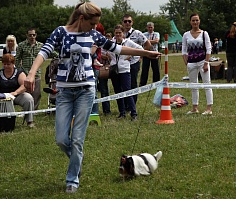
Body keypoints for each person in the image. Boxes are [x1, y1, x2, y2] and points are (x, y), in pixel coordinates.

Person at [23, 2, 161, 194]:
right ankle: (76, 158)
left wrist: (145, 53)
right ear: (81, 18)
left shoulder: (94, 35)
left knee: (77, 139)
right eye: (93, 23)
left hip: (86, 91)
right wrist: (31, 73)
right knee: (62, 139)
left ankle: (72, 180)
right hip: (64, 92)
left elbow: (118, 49)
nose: (96, 27)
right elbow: (43, 52)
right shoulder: (61, 32)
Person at [0, 54, 34, 127]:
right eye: (4, 64)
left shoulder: (20, 73)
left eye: (8, 64)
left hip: (17, 95)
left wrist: (15, 92)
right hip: (3, 97)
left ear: (13, 64)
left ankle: (30, 121)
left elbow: (24, 85)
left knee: (28, 99)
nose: (6, 66)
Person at [182, 13, 213, 115]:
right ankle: (195, 108)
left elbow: (208, 49)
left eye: (197, 20)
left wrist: (206, 63)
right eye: (193, 20)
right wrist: (186, 62)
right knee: (193, 86)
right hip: (191, 63)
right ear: (190, 22)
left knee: (207, 84)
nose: (195, 22)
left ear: (199, 21)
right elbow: (184, 50)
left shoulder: (204, 33)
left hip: (202, 62)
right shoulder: (186, 35)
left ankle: (209, 108)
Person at [110, 24, 142, 120]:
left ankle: (133, 113)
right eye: (116, 33)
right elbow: (103, 50)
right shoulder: (111, 43)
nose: (118, 34)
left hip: (125, 70)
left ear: (123, 33)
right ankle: (122, 112)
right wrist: (107, 57)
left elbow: (140, 49)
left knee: (127, 91)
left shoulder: (128, 42)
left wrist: (132, 57)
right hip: (114, 69)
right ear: (114, 33)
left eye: (120, 33)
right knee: (118, 92)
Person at [122, 14, 151, 105]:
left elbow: (148, 44)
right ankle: (126, 104)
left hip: (134, 62)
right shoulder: (120, 33)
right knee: (124, 84)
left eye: (129, 21)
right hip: (123, 63)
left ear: (132, 22)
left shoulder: (137, 33)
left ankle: (133, 104)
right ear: (122, 23)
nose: (127, 23)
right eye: (125, 21)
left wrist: (141, 55)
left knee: (133, 84)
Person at [15, 28, 43, 110]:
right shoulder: (21, 45)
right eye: (30, 35)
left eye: (33, 35)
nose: (32, 37)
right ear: (27, 35)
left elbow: (50, 52)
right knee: (25, 93)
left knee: (37, 93)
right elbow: (17, 59)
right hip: (25, 73)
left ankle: (34, 110)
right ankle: (25, 109)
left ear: (36, 35)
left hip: (37, 73)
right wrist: (19, 71)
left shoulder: (41, 45)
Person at [139, 22, 160, 86]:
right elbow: (142, 42)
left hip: (154, 53)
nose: (150, 28)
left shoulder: (156, 34)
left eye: (151, 27)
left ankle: (156, 83)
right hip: (146, 53)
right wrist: (150, 42)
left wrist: (147, 41)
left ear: (153, 27)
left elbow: (156, 41)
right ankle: (143, 83)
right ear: (147, 28)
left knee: (156, 69)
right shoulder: (144, 34)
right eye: (149, 27)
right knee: (145, 69)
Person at [98, 32, 112, 115]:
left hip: (106, 68)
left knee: (104, 89)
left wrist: (107, 56)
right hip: (95, 68)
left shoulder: (108, 45)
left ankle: (107, 110)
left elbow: (111, 56)